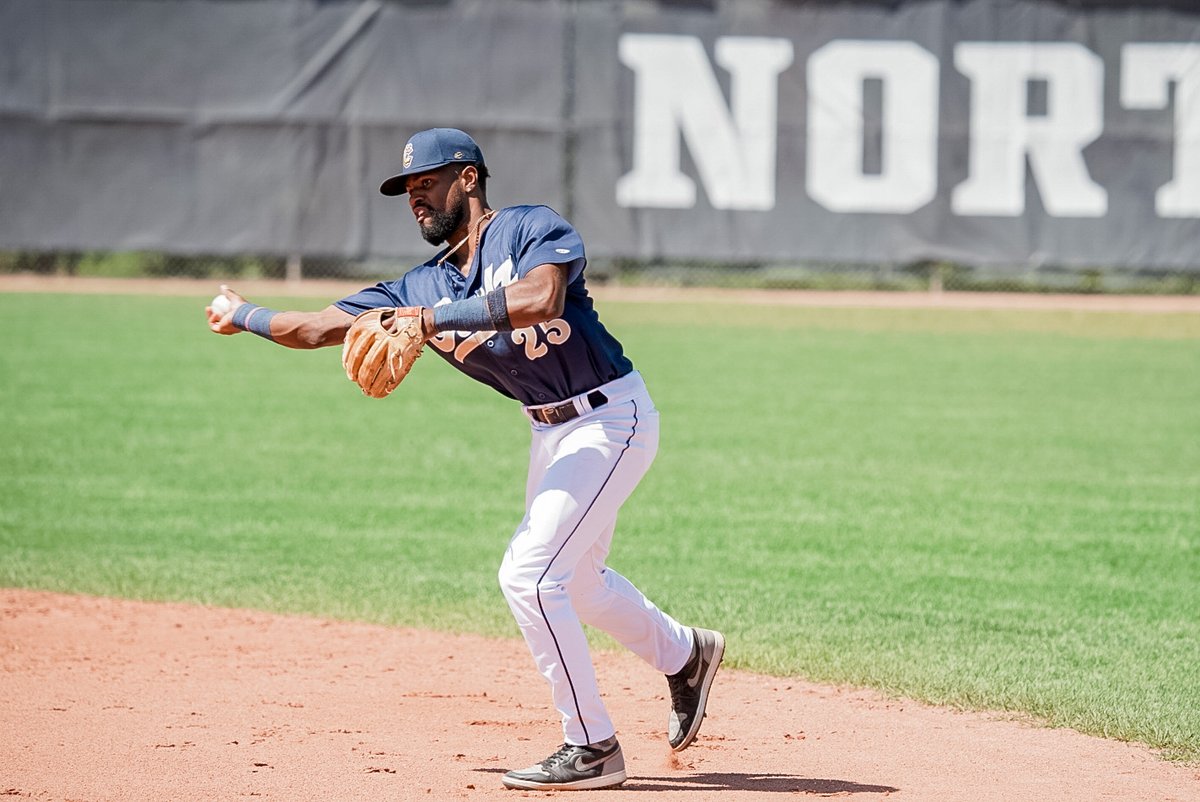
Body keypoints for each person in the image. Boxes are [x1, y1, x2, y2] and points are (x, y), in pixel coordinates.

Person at [206, 128, 724, 791]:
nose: (416, 198)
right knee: (579, 582)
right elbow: (311, 327)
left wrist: (433, 321)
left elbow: (541, 299)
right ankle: (685, 654)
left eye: (428, 182)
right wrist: (241, 311)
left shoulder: (530, 229)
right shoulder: (416, 286)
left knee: (530, 576)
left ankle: (591, 744)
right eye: (407, 190)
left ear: (470, 179)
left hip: (611, 416)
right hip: (551, 434)